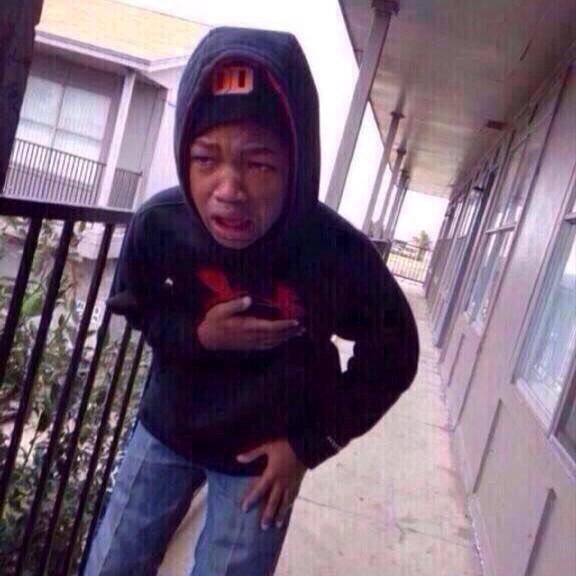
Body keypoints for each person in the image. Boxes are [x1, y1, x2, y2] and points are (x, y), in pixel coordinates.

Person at [83, 26, 419, 576]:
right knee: (112, 564)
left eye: (258, 164)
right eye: (205, 159)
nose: (228, 188)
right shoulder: (160, 225)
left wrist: (309, 443)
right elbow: (137, 306)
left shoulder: (333, 253)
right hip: (166, 430)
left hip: (261, 464)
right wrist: (197, 334)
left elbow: (396, 351)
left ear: (296, 164)